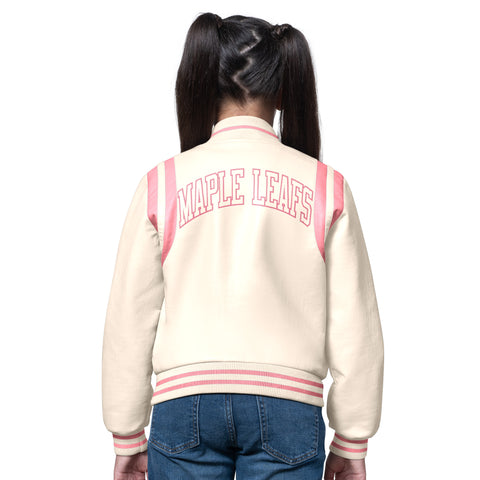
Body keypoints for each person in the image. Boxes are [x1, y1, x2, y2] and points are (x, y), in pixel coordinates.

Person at [102, 12, 384, 480]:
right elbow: (355, 322)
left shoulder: (161, 183)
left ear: (203, 83)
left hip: (184, 402)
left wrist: (126, 433)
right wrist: (352, 438)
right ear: (283, 88)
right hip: (289, 404)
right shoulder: (327, 186)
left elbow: (129, 317)